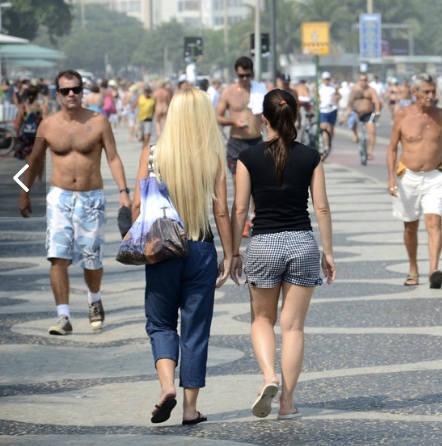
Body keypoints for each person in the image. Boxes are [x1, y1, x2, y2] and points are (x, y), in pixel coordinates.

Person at [229, 88, 335, 420]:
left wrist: (233, 252)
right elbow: (321, 207)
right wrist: (328, 252)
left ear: (264, 120)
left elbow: (240, 209)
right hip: (302, 243)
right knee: (293, 328)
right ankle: (287, 403)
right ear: (294, 117)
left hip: (264, 244)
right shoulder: (311, 156)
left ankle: (268, 377)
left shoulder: (248, 158)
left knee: (262, 320)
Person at [132, 88, 233, 426]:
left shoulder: (153, 153)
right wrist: (231, 253)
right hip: (201, 247)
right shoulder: (212, 156)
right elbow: (221, 212)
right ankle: (190, 409)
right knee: (196, 328)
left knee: (160, 322)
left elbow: (136, 207)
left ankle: (166, 387)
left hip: (162, 248)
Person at [18, 69, 132, 335]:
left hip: (91, 197)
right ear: (57, 94)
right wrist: (23, 191)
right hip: (59, 198)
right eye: (66, 90)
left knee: (91, 257)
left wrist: (124, 191)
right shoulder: (48, 124)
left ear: (83, 91)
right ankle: (63, 316)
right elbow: (34, 160)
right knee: (57, 257)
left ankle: (94, 299)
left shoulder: (98, 121)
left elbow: (113, 157)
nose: (72, 94)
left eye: (76, 89)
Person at [387, 73, 442, 289]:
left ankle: (434, 271)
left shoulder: (441, 115)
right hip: (408, 177)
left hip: (435, 176)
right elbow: (392, 148)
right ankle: (413, 268)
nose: (431, 96)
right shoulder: (402, 116)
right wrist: (390, 178)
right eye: (426, 92)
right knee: (410, 227)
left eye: (433, 91)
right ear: (415, 92)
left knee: (434, 222)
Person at [216, 57, 266, 236]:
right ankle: (242, 221)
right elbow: (217, 116)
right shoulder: (228, 92)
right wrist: (232, 121)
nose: (244, 78)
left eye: (248, 75)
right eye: (241, 75)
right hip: (237, 143)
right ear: (236, 73)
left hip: (256, 142)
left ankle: (256, 218)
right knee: (239, 185)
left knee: (258, 184)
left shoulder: (260, 90)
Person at [13, 85, 46, 185]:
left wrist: (17, 136)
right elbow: (46, 122)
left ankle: (29, 178)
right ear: (37, 96)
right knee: (41, 158)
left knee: (28, 158)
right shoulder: (41, 107)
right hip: (38, 136)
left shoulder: (22, 108)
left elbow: (18, 124)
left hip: (26, 136)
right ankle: (40, 179)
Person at [346, 73, 382, 160]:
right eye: (361, 80)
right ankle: (355, 134)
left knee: (372, 131)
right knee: (352, 124)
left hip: (369, 113)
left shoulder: (371, 90)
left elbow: (376, 101)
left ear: (367, 81)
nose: (363, 82)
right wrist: (348, 111)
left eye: (365, 80)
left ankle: (370, 151)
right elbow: (350, 102)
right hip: (357, 112)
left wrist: (377, 111)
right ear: (359, 81)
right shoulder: (355, 90)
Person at [318, 71, 340, 151]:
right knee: (324, 128)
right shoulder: (319, 87)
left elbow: (339, 96)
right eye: (325, 79)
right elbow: (317, 97)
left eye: (328, 79)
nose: (326, 81)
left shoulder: (333, 87)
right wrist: (318, 100)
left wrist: (336, 98)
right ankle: (326, 146)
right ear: (323, 80)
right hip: (323, 110)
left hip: (332, 109)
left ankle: (330, 142)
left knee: (331, 128)